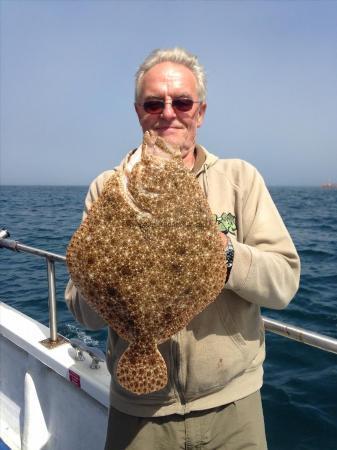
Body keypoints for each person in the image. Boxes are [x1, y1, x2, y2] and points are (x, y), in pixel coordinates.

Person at [65, 47, 300, 450]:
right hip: (139, 410)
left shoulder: (239, 179)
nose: (168, 113)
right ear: (138, 112)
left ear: (201, 111)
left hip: (233, 405)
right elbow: (82, 312)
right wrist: (107, 269)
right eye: (154, 103)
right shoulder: (107, 188)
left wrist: (224, 254)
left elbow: (284, 285)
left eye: (183, 102)